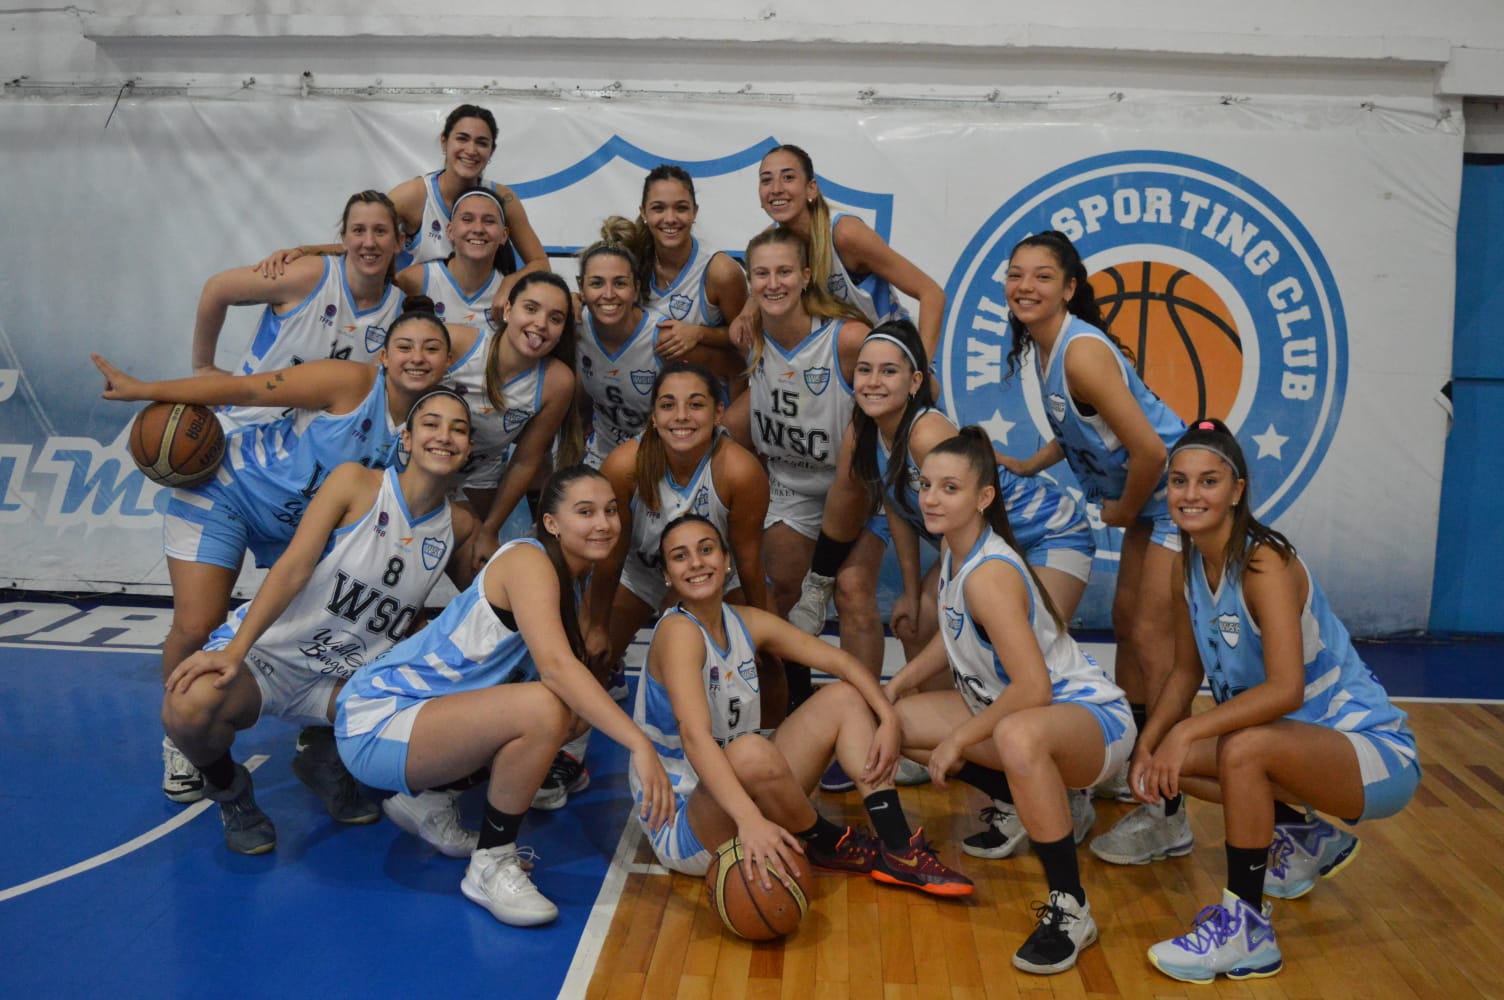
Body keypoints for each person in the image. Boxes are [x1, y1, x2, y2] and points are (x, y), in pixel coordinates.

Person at [92, 299, 451, 802]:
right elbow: (246, 388)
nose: (417, 357)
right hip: (230, 492)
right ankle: (181, 738)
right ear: (384, 357)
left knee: (352, 616)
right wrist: (145, 391)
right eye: (405, 346)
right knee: (197, 626)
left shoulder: (427, 431)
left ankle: (322, 737)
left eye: (431, 348)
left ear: (447, 362)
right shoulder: (350, 383)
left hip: (303, 524)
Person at [1135, 420, 1419, 984]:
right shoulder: (1187, 565)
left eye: (1208, 481)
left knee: (1241, 749)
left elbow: (1286, 689)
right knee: (1166, 766)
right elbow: (1186, 671)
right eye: (1178, 481)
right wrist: (1149, 744)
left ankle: (1246, 930)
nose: (1190, 495)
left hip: (1372, 753)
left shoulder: (1264, 564)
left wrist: (1187, 731)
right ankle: (1305, 836)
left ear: (1237, 490)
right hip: (1295, 748)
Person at [334, 465, 673, 927]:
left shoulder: (565, 581)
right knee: (547, 705)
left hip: (416, 719)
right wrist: (638, 743)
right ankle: (490, 863)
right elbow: (556, 669)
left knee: (572, 712)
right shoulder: (529, 561)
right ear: (552, 522)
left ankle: (429, 800)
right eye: (586, 511)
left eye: (611, 511)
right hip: (377, 719)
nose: (603, 523)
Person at [160, 390, 477, 855]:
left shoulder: (461, 527)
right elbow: (292, 567)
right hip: (270, 658)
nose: (444, 436)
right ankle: (232, 793)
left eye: (459, 429)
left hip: (347, 680)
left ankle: (328, 761)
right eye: (431, 424)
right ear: (406, 439)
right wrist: (235, 648)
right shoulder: (356, 483)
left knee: (445, 725)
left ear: (469, 448)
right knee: (186, 707)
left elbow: (490, 601)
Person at [883, 428, 1135, 975]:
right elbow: (949, 635)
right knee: (892, 723)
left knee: (1016, 738)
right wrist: (898, 684)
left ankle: (1070, 907)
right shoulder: (957, 550)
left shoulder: (990, 575)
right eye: (926, 485)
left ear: (984, 497)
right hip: (1019, 712)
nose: (931, 498)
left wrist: (958, 739)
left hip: (1091, 719)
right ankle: (1032, 805)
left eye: (950, 488)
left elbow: (1033, 689)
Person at [633, 513, 973, 899]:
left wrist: (888, 715)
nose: (695, 563)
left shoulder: (744, 621)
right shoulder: (678, 632)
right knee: (749, 751)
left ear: (726, 561)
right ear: (666, 575)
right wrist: (748, 820)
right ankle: (826, 840)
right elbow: (694, 737)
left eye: (706, 550)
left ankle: (899, 850)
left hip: (743, 788)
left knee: (843, 698)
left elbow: (841, 663)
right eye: (680, 556)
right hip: (683, 820)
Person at [997, 229, 1190, 864]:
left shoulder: (1080, 352)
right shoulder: (1048, 350)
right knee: (1131, 628)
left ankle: (1169, 808)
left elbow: (1153, 450)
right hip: (1152, 500)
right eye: (1016, 274)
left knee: (1155, 640)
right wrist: (1029, 464)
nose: (1025, 286)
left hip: (1174, 496)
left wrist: (1121, 510)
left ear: (1069, 289)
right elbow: (1082, 426)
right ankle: (1137, 767)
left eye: (1042, 277)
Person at [787, 320, 1093, 658]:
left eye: (888, 371)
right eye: (864, 370)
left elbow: (964, 523)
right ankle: (945, 709)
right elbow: (897, 509)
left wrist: (954, 599)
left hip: (1047, 532)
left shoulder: (927, 433)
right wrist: (910, 592)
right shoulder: (865, 434)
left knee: (1022, 652)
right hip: (982, 539)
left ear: (914, 381)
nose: (873, 382)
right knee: (916, 627)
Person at [723, 228, 877, 719]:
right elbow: (761, 399)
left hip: (858, 487)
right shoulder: (754, 335)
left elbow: (895, 398)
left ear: (807, 276)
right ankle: (796, 705)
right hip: (792, 481)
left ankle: (865, 715)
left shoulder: (848, 339)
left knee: (852, 595)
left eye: (784, 272)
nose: (773, 284)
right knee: (782, 593)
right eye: (762, 274)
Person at [587, 362, 771, 684]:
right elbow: (610, 558)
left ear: (718, 414)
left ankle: (768, 730)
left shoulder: (741, 472)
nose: (682, 416)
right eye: (668, 405)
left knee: (769, 665)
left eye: (696, 404)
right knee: (589, 659)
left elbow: (749, 561)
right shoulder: (622, 466)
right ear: (654, 417)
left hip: (717, 578)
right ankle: (608, 678)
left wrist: (762, 632)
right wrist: (598, 626)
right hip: (643, 573)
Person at [257, 104, 547, 292]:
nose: (471, 150)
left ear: (492, 152)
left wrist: (509, 283)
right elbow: (364, 243)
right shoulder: (414, 196)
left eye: (482, 143)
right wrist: (304, 250)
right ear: (444, 142)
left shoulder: (502, 199)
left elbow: (539, 264)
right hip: (414, 309)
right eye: (462, 138)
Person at [191, 191, 406, 427]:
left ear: (399, 242)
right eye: (358, 230)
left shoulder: (399, 312)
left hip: (311, 450)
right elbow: (217, 288)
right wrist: (204, 367)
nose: (369, 242)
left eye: (380, 231)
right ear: (343, 239)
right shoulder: (312, 275)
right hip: (243, 426)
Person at [730, 144, 945, 366]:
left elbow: (931, 293)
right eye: (766, 180)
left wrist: (920, 371)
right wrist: (748, 311)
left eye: (788, 178)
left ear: (811, 189)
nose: (776, 189)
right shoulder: (772, 241)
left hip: (888, 352)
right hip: (832, 362)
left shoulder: (845, 233)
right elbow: (761, 292)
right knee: (742, 332)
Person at [450, 271, 583, 581]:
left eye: (555, 318)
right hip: (417, 472)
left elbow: (525, 460)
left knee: (485, 577)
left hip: (475, 477)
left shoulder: (557, 381)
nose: (540, 324)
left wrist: (489, 530)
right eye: (531, 308)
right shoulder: (459, 344)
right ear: (508, 310)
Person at [606, 164, 748, 382]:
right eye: (658, 208)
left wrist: (699, 333)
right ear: (643, 213)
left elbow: (745, 339)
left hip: (705, 396)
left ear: (695, 212)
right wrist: (577, 301)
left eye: (681, 208)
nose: (670, 218)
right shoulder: (631, 259)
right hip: (642, 395)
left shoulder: (720, 271)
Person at [574, 232, 668, 469]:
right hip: (602, 455)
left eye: (619, 283)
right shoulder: (574, 325)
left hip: (659, 460)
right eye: (596, 283)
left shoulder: (664, 337)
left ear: (636, 289)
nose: (608, 294)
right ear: (581, 288)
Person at [395, 188, 508, 330]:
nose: (478, 229)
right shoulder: (414, 280)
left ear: (504, 235)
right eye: (467, 219)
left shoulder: (511, 292)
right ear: (450, 231)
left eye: (489, 221)